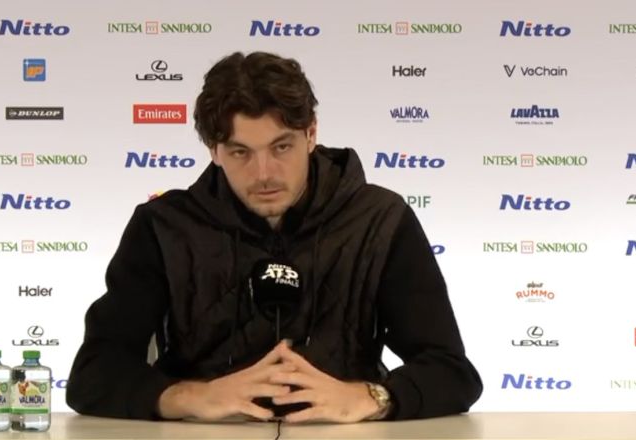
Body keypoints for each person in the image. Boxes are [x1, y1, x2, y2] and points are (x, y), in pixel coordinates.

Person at [66, 51, 482, 423]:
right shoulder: (163, 226)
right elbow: (93, 374)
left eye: (281, 147)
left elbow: (452, 372)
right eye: (240, 152)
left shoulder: (381, 219)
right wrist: (193, 397)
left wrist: (368, 398)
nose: (263, 174)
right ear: (213, 150)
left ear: (311, 134)